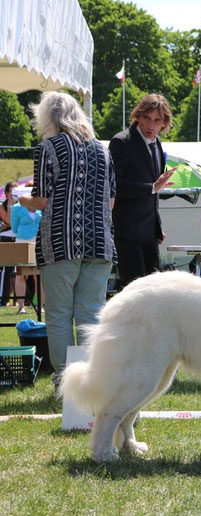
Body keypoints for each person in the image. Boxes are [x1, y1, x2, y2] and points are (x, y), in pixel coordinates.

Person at [19, 91, 117, 387]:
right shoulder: (103, 150)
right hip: (100, 242)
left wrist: (26, 202)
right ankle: (90, 382)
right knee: (90, 315)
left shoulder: (48, 147)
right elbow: (110, 201)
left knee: (59, 314)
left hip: (60, 242)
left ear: (47, 117)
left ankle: (65, 383)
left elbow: (45, 199)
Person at [109, 94, 175, 289]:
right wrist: (152, 188)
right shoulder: (121, 142)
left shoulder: (158, 143)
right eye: (147, 118)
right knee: (132, 290)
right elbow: (114, 186)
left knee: (152, 291)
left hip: (149, 233)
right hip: (127, 232)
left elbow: (154, 194)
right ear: (138, 116)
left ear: (164, 123)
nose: (151, 125)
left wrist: (156, 225)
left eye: (157, 120)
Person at [10, 180, 42, 314]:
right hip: (22, 242)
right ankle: (21, 306)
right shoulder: (17, 208)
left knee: (40, 276)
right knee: (21, 275)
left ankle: (39, 306)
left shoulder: (41, 206)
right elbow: (14, 228)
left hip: (40, 242)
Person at [0, 181, 17, 306]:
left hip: (18, 238)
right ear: (6, 193)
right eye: (11, 191)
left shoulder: (23, 204)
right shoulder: (2, 205)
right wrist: (10, 206)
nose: (13, 194)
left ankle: (20, 300)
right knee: (6, 270)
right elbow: (8, 221)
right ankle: (4, 299)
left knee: (18, 270)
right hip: (5, 239)